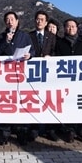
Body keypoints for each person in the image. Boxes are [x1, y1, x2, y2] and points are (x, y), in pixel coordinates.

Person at [0, 11, 35, 145]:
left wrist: (30, 55)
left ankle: (21, 132)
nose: (10, 21)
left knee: (21, 103)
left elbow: (32, 50)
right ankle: (5, 133)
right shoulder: (0, 37)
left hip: (20, 76)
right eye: (7, 19)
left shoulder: (25, 36)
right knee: (6, 102)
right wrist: (6, 41)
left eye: (12, 19)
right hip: (5, 77)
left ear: (17, 21)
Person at [55, 18, 82, 143]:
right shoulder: (59, 43)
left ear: (77, 28)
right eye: (68, 26)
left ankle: (81, 131)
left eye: (73, 26)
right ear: (64, 28)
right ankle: (70, 131)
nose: (70, 28)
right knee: (68, 106)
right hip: (65, 81)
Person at [28, 10, 59, 141]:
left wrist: (51, 57)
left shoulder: (51, 36)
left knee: (49, 101)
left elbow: (56, 52)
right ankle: (33, 128)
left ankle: (49, 130)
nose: (39, 21)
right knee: (34, 101)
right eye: (37, 19)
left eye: (42, 19)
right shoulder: (28, 36)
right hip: (33, 74)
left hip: (49, 75)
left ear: (46, 22)